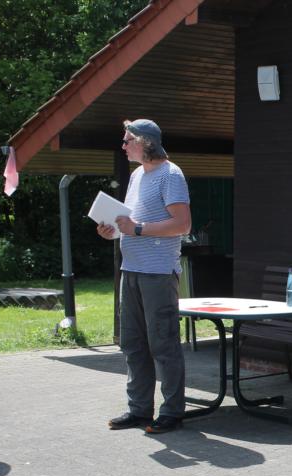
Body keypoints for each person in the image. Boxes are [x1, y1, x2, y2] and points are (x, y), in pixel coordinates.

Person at [98, 119, 191, 434]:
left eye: (127, 140)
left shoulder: (171, 175)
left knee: (163, 344)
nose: (123, 146)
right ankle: (139, 410)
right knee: (133, 343)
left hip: (158, 273)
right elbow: (131, 222)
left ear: (145, 142)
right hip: (131, 270)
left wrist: (136, 229)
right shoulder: (137, 175)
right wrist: (113, 230)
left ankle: (172, 412)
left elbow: (182, 225)